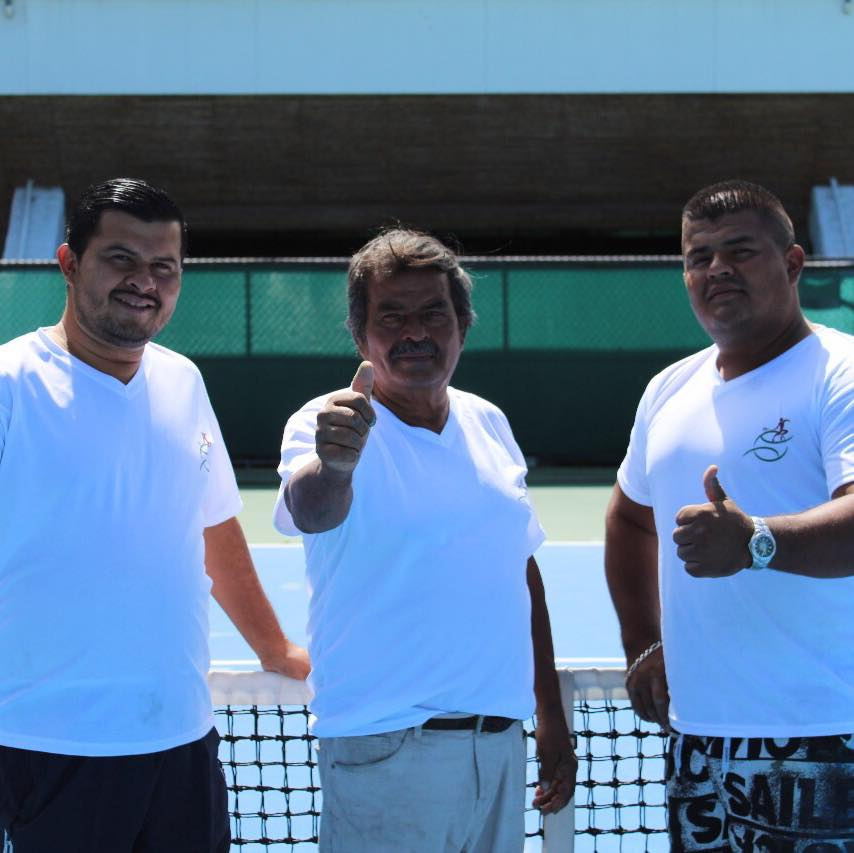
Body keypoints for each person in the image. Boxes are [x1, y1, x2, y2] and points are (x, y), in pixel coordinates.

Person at [0, 178, 309, 853]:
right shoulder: (9, 384)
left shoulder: (182, 380)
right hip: (50, 745)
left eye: (164, 267)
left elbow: (215, 528)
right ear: (68, 262)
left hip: (182, 744)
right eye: (121, 259)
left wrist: (274, 648)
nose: (145, 281)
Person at [273, 228, 576, 852]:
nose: (416, 332)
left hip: (496, 748)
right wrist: (334, 466)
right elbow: (312, 510)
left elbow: (520, 574)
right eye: (392, 316)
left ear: (462, 325)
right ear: (361, 336)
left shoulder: (490, 421)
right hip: (385, 749)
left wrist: (552, 718)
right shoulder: (324, 421)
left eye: (434, 313)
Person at [605, 180, 854, 851]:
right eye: (699, 256)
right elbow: (630, 520)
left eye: (740, 251)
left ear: (794, 264)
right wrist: (643, 644)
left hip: (822, 735)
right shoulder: (668, 389)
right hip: (697, 740)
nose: (716, 268)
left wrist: (757, 542)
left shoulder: (839, 372)